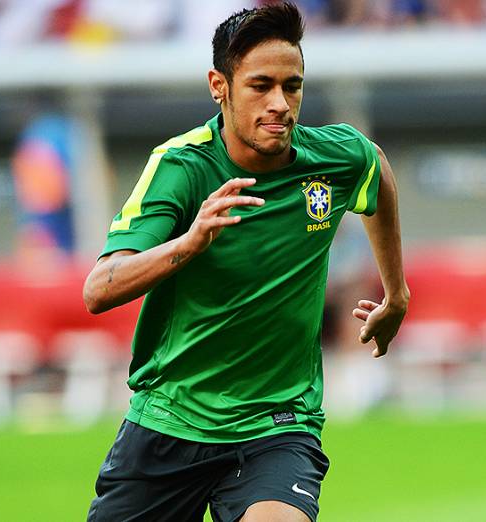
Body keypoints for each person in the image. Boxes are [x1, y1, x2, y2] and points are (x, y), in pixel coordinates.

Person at [82, 3, 409, 521]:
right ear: (220, 85)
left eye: (292, 86)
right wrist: (188, 244)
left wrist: (397, 295)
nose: (280, 103)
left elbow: (378, 173)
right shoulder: (181, 167)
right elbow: (99, 289)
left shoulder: (334, 158)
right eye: (261, 86)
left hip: (278, 424)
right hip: (171, 420)